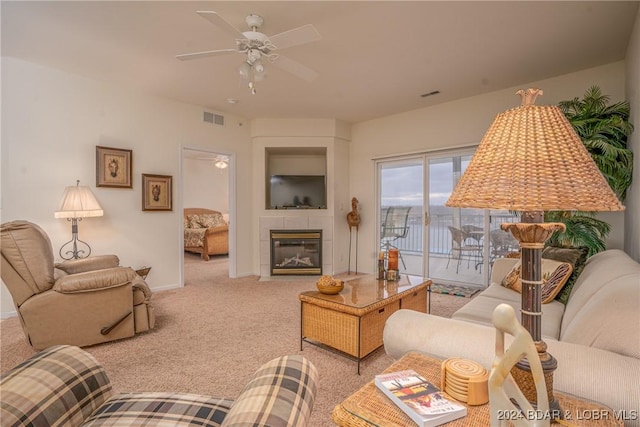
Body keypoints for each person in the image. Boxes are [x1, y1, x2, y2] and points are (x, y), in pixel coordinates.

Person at [489, 304, 550, 427]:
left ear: (504, 321)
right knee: (501, 381)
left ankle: (523, 424)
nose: (493, 323)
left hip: (540, 418)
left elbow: (501, 369)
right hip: (537, 413)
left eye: (496, 322)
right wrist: (498, 330)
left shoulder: (522, 338)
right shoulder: (518, 332)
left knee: (493, 383)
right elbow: (498, 356)